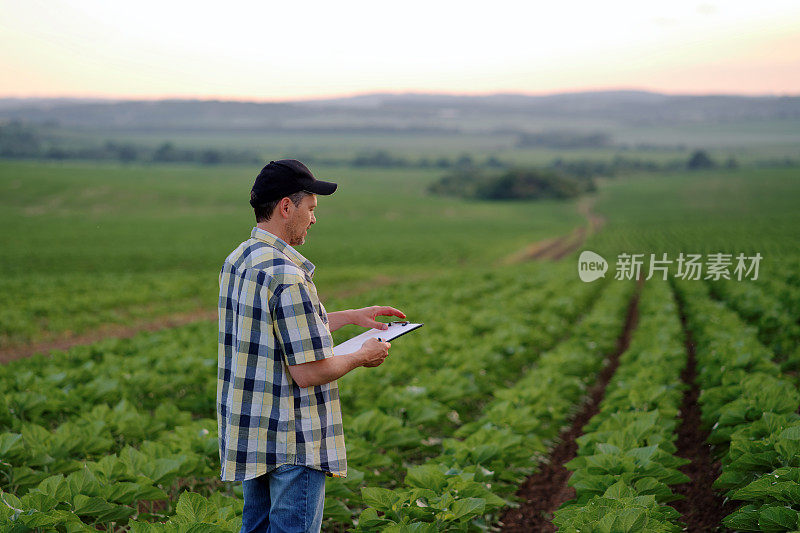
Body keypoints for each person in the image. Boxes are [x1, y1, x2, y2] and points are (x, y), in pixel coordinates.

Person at [217, 159, 406, 533]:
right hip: (293, 439)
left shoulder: (241, 259)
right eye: (311, 208)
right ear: (287, 207)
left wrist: (352, 316)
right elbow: (309, 372)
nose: (314, 219)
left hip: (254, 432)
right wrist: (362, 355)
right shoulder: (288, 276)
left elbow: (279, 332)